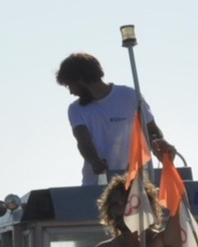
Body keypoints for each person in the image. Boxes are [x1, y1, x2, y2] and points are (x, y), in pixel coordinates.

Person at [56, 52, 176, 185]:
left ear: (81, 79)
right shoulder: (76, 109)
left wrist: (160, 144)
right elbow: (83, 141)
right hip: (97, 184)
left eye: (69, 85)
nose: (71, 92)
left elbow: (152, 130)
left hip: (138, 181)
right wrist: (94, 160)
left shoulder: (130, 96)